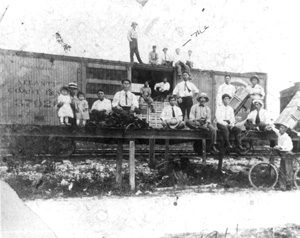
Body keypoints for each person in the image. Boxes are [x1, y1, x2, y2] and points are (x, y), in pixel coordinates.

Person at [271, 123, 294, 190]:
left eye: (282, 128)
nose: (280, 129)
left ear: (285, 130)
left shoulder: (287, 138)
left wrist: (277, 147)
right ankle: (282, 186)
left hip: (288, 153)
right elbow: (275, 130)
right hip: (283, 154)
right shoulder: (280, 134)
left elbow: (283, 147)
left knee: (288, 170)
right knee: (282, 169)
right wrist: (271, 126)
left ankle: (289, 185)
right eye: (280, 128)